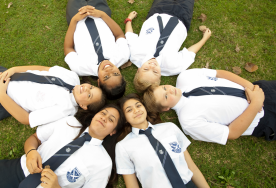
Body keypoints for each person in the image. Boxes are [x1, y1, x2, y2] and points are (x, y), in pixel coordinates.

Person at [0, 104, 125, 188]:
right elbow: (34, 138)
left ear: (113, 131)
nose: (104, 118)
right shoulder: (69, 122)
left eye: (111, 119)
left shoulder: (104, 163)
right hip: (17, 171)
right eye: (103, 113)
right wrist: (31, 151)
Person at [0, 64, 106, 127]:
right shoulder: (72, 77)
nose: (86, 88)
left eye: (90, 95)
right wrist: (13, 70)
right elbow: (41, 69)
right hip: (2, 74)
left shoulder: (65, 110)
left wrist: (0, 93)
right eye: (91, 86)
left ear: (84, 106)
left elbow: (27, 119)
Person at [143, 68, 276, 145]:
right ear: (166, 108)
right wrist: (256, 104)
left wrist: (251, 87)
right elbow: (231, 133)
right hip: (264, 118)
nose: (170, 90)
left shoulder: (185, 77)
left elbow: (219, 73)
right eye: (166, 96)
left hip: (262, 89)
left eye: (165, 87)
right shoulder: (188, 121)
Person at [115, 94, 209, 188]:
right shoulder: (123, 146)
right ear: (124, 119)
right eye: (129, 110)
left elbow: (192, 168)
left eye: (138, 105)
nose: (136, 110)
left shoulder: (170, 128)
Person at [124, 0, 212, 93]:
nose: (152, 66)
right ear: (160, 77)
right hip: (182, 17)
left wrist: (129, 19)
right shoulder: (173, 67)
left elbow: (129, 35)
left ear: (138, 70)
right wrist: (204, 39)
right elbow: (190, 53)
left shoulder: (135, 54)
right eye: (155, 72)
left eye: (146, 69)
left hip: (159, 10)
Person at [64, 0, 130, 100]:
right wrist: (102, 15)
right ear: (120, 73)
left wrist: (74, 20)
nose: (109, 70)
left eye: (106, 77)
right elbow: (119, 35)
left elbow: (68, 48)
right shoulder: (123, 55)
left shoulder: (80, 68)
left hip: (77, 17)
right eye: (116, 73)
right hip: (100, 12)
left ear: (99, 82)